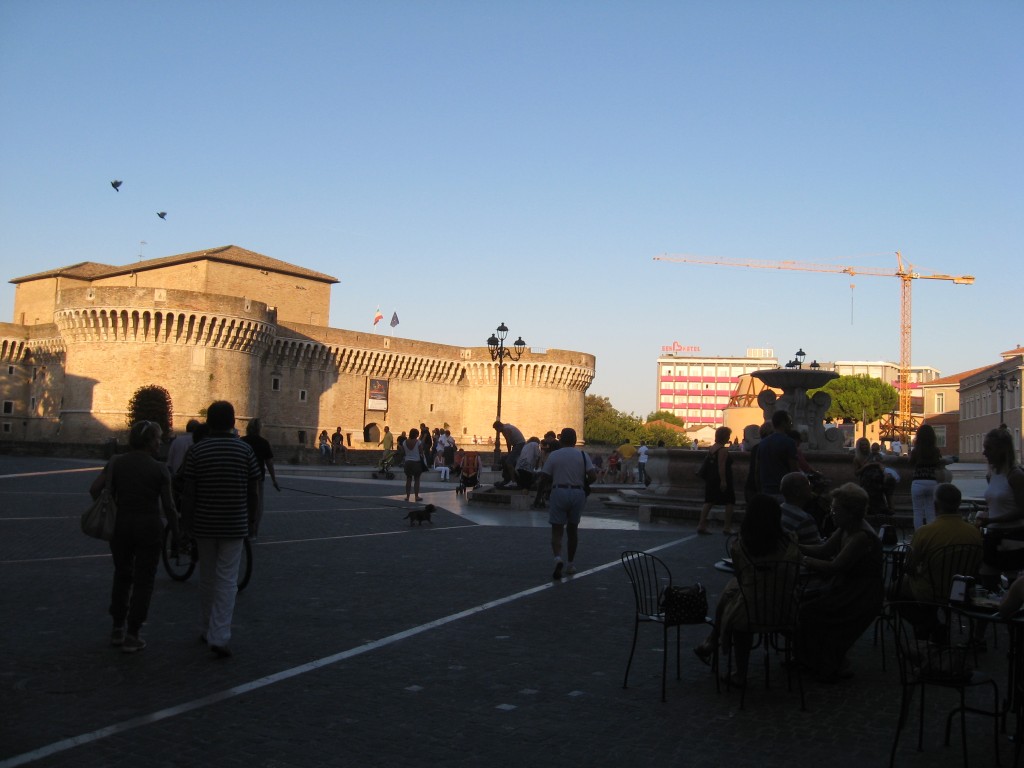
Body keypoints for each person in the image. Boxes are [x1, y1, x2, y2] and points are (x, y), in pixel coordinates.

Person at [693, 494, 799, 686]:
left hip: (752, 610)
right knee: (735, 590)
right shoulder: (791, 540)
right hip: (787, 607)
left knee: (735, 594)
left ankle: (738, 671)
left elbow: (742, 580)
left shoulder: (740, 546)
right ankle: (711, 642)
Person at [181, 401, 260, 658]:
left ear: (210, 423)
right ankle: (219, 635)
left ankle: (206, 628)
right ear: (234, 422)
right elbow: (253, 491)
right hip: (234, 524)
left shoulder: (197, 452)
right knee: (227, 581)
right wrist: (252, 521)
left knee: (207, 577)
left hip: (203, 523)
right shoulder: (244, 451)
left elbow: (189, 492)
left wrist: (186, 523)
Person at [91, 420, 178, 653]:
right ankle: (133, 633)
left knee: (122, 574)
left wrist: (109, 507)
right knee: (144, 581)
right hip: (149, 526)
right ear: (149, 442)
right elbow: (169, 506)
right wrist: (177, 533)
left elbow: (94, 489)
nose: (160, 442)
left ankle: (117, 628)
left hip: (120, 525)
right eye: (158, 438)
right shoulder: (159, 469)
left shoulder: (116, 462)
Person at [798, 483, 883, 682]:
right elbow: (824, 550)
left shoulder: (861, 536)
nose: (831, 513)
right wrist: (796, 544)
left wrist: (802, 559)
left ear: (850, 512)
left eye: (835, 510)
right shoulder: (846, 528)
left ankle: (828, 662)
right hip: (847, 587)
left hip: (860, 594)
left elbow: (835, 566)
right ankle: (814, 658)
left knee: (810, 611)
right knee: (804, 604)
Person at [899, 483, 982, 602]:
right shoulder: (974, 532)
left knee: (895, 588)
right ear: (959, 504)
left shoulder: (925, 532)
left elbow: (909, 566)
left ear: (935, 505)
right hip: (961, 590)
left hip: (929, 591)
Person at [537, 427, 596, 580]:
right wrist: (584, 482)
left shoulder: (555, 455)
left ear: (561, 440)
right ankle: (570, 564)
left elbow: (544, 476)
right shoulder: (583, 455)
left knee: (557, 530)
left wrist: (540, 493)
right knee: (572, 530)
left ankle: (558, 558)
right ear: (576, 441)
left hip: (559, 491)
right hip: (578, 493)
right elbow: (593, 475)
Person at [975, 427, 1024, 588]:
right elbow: (997, 505)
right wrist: (987, 515)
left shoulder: (1015, 476)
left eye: (988, 448)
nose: (984, 453)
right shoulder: (991, 475)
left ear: (1002, 450)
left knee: (1012, 585)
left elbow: (1021, 510)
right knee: (986, 580)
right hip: (993, 536)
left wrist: (991, 519)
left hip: (1012, 538)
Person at [910, 423, 955, 529]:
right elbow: (938, 463)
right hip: (931, 481)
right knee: (930, 510)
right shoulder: (935, 450)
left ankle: (918, 535)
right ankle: (931, 533)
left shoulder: (916, 451)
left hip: (917, 482)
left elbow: (911, 463)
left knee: (917, 512)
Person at [241, 418, 280, 538]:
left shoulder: (241, 441)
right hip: (257, 478)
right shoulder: (263, 442)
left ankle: (242, 528)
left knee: (242, 504)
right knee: (257, 505)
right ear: (259, 429)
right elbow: (269, 463)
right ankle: (253, 531)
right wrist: (274, 480)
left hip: (242, 478)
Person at [696, 426, 736, 535]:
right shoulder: (722, 450)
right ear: (725, 437)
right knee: (730, 501)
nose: (729, 437)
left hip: (711, 478)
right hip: (720, 478)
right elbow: (721, 465)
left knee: (709, 501)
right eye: (728, 435)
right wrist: (723, 481)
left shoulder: (713, 448)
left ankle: (701, 524)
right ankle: (727, 527)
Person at [757, 411, 799, 499]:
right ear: (784, 423)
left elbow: (757, 467)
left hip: (766, 490)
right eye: (789, 422)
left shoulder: (762, 443)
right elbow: (793, 470)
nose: (791, 425)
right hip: (782, 490)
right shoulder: (789, 442)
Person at [779, 472, 823, 545]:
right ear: (796, 492)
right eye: (808, 483)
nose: (811, 486)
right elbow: (818, 549)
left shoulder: (779, 509)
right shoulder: (804, 519)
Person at [493, 420, 526, 488]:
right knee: (506, 459)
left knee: (508, 462)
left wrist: (509, 452)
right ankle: (508, 479)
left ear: (499, 426)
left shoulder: (505, 430)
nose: (497, 431)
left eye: (496, 429)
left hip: (519, 445)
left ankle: (513, 481)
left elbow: (508, 442)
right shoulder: (507, 426)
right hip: (519, 444)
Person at [402, 427, 425, 502]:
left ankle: (407, 496)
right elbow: (421, 452)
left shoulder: (405, 442)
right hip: (416, 462)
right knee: (417, 479)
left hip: (407, 462)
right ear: (415, 435)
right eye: (417, 434)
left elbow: (403, 452)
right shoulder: (418, 442)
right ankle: (416, 496)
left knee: (408, 479)